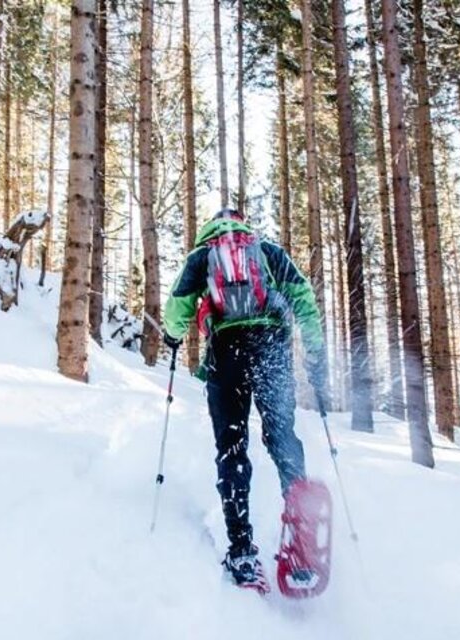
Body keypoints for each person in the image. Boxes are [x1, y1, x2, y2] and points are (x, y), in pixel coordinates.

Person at [162, 208, 329, 588]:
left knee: (232, 446)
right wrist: (315, 352)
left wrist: (173, 336)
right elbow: (303, 296)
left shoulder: (202, 257)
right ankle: (302, 540)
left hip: (226, 354)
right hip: (271, 346)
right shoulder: (267, 251)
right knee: (281, 436)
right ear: (241, 226)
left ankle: (241, 552)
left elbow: (177, 309)